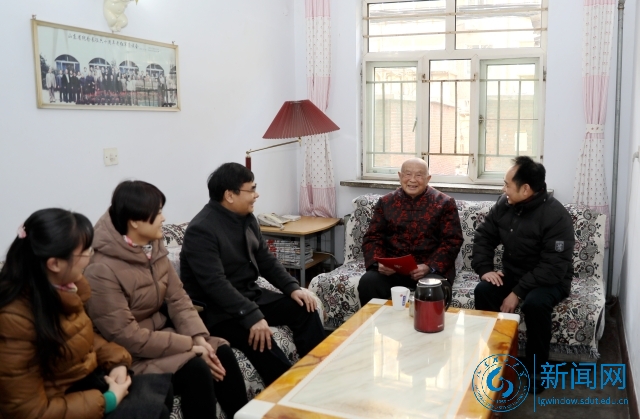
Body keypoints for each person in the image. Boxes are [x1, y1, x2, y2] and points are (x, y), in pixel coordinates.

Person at [84, 181, 248, 419]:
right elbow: (126, 336)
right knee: (196, 368)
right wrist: (190, 346)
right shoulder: (101, 269)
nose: (164, 218)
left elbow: (178, 298)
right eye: (158, 212)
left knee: (221, 351)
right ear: (135, 222)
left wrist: (198, 338)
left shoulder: (154, 247)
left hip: (163, 337)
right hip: (130, 353)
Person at [0, 208, 173, 419]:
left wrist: (117, 362)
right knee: (154, 410)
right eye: (84, 252)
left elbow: (82, 337)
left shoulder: (63, 289)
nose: (89, 259)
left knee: (161, 393)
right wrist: (108, 401)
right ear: (54, 264)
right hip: (59, 402)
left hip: (83, 382)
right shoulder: (13, 319)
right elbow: (28, 410)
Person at [180, 163, 325, 386]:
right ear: (230, 195)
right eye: (251, 189)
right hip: (220, 312)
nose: (256, 195)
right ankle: (288, 393)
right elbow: (215, 284)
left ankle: (319, 375)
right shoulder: (202, 229)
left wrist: (292, 287)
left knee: (305, 308)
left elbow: (265, 259)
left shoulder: (247, 218)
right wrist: (252, 316)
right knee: (263, 340)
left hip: (250, 297)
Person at [472, 156, 574, 393]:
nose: (503, 189)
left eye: (507, 184)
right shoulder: (504, 204)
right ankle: (495, 360)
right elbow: (484, 236)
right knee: (484, 290)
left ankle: (537, 371)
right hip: (515, 273)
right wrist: (485, 269)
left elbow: (553, 267)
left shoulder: (556, 216)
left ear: (526, 189)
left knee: (536, 304)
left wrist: (517, 292)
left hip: (551, 280)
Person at [357, 158, 463, 307]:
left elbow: (452, 241)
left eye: (419, 175)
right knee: (368, 283)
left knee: (433, 289)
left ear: (428, 179)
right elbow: (373, 237)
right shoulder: (386, 202)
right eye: (408, 174)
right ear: (400, 176)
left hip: (430, 269)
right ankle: (376, 322)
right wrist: (379, 263)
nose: (412, 180)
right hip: (393, 269)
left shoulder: (444, 203)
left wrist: (428, 266)